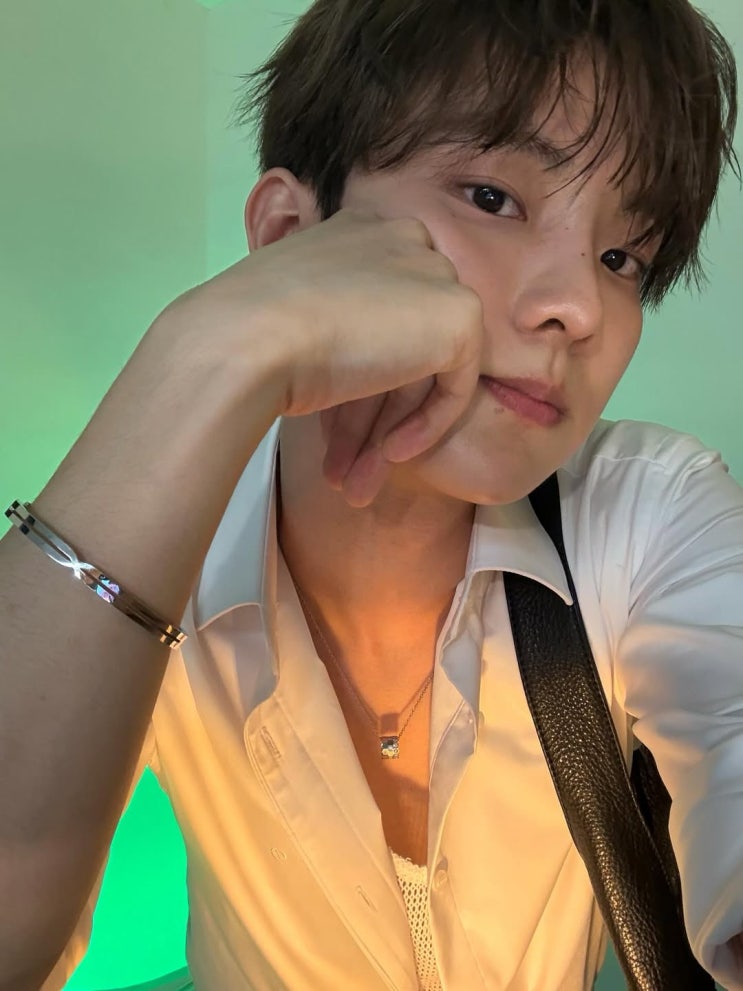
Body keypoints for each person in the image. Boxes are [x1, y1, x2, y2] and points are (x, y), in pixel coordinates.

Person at [1, 0, 741, 989]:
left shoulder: (649, 509)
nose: (577, 306)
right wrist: (206, 352)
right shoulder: (170, 546)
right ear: (289, 234)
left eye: (621, 258)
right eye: (491, 197)